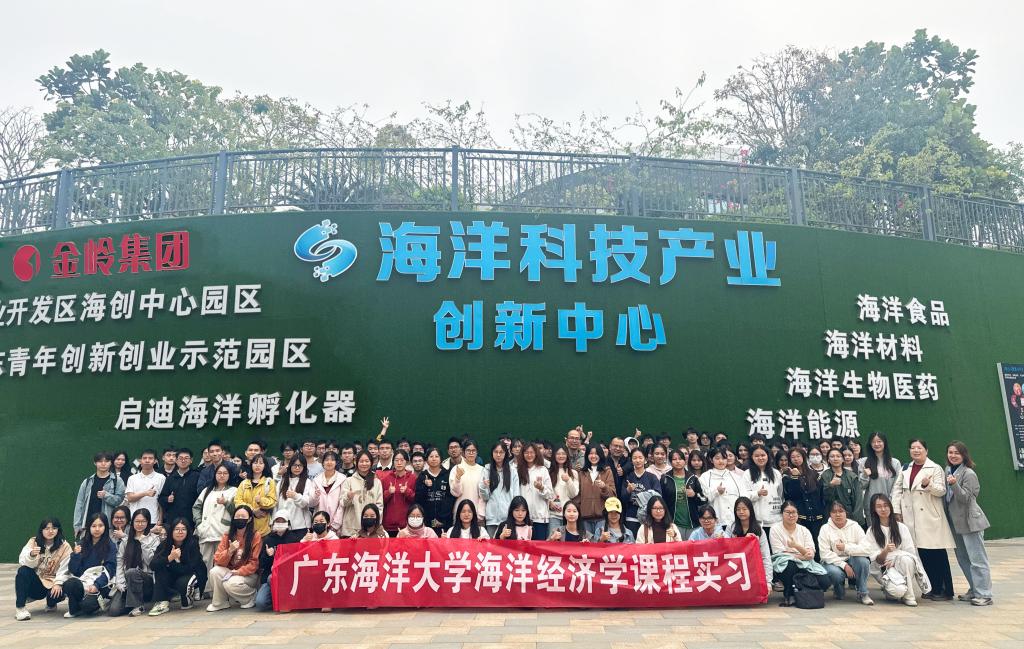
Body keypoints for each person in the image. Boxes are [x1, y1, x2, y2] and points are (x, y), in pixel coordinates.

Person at [891, 438, 956, 601]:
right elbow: (897, 490)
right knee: (922, 554)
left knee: (937, 554)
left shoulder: (935, 468)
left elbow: (941, 491)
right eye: (912, 448)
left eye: (919, 448)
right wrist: (896, 511)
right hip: (911, 518)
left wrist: (929, 485)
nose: (916, 451)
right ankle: (931, 588)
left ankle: (945, 590)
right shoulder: (905, 468)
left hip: (929, 518)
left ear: (926, 451)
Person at [944, 441, 993, 606]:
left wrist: (954, 484)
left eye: (957, 453)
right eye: (950, 452)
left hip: (970, 521)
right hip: (955, 522)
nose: (953, 455)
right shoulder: (948, 470)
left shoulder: (969, 473)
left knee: (977, 559)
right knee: (963, 558)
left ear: (964, 455)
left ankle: (984, 594)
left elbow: (966, 498)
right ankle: (974, 589)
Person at [862, 494, 929, 607]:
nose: (883, 509)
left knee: (906, 560)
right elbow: (876, 560)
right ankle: (892, 589)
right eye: (879, 506)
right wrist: (886, 551)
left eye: (885, 505)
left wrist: (895, 560)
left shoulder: (901, 527)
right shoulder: (871, 531)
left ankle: (909, 596)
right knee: (897, 592)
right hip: (885, 569)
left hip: (903, 566)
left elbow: (910, 554)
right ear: (874, 509)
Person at [770, 501, 830, 607]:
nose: (791, 515)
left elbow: (810, 553)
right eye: (788, 512)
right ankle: (789, 594)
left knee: (825, 580)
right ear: (782, 514)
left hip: (806, 563)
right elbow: (780, 553)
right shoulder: (775, 529)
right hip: (785, 562)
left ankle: (807, 592)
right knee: (790, 566)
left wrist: (796, 546)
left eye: (794, 512)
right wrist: (802, 556)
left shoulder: (804, 530)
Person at [206, 506, 262, 612]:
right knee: (214, 572)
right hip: (231, 571)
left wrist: (239, 572)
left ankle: (250, 597)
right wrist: (229, 551)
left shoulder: (255, 536)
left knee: (230, 583)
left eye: (243, 516)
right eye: (237, 516)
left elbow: (254, 563)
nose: (240, 518)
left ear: (249, 519)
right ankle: (220, 602)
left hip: (248, 574)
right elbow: (217, 559)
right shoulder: (227, 535)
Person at [15, 517, 71, 621]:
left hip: (53, 582)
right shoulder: (33, 542)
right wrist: (31, 555)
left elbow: (66, 568)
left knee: (56, 593)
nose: (50, 531)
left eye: (54, 528)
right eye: (47, 528)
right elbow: (22, 561)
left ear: (58, 530)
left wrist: (58, 583)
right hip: (38, 582)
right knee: (22, 570)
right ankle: (20, 608)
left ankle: (51, 603)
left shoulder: (64, 546)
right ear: (41, 530)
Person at [818, 502, 873, 605]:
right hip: (833, 563)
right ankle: (838, 587)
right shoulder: (825, 528)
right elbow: (825, 554)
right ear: (830, 514)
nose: (838, 514)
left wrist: (846, 547)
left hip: (852, 559)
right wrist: (844, 565)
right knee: (835, 573)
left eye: (841, 511)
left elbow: (867, 549)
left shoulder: (855, 526)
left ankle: (863, 593)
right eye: (834, 512)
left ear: (846, 513)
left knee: (863, 562)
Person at [63, 513, 117, 618]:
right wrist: (76, 555)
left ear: (105, 527)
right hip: (84, 581)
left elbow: (110, 569)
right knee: (69, 584)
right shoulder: (82, 544)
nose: (97, 529)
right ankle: (74, 610)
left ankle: (94, 603)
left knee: (87, 606)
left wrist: (96, 585)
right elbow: (74, 570)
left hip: (101, 585)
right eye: (94, 526)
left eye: (100, 526)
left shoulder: (110, 546)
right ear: (89, 527)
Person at [108, 509, 161, 616]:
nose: (140, 524)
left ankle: (138, 605)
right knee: (114, 611)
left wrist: (144, 542)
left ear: (148, 522)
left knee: (132, 572)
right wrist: (120, 582)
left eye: (143, 521)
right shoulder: (126, 540)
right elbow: (120, 562)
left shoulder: (154, 539)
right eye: (137, 521)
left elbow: (151, 562)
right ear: (132, 522)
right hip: (128, 581)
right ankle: (131, 603)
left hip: (147, 580)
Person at [193, 464, 237, 577]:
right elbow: (196, 507)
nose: (222, 476)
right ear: (215, 475)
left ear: (229, 475)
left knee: (221, 563)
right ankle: (204, 587)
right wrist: (199, 523)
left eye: (225, 473)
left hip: (223, 533)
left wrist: (226, 503)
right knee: (204, 563)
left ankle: (218, 587)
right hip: (206, 532)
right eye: (219, 473)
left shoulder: (234, 491)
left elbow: (237, 512)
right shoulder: (207, 491)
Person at [782, 447, 826, 558]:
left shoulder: (814, 474)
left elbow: (820, 495)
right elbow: (792, 495)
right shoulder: (787, 474)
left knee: (818, 545)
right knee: (803, 545)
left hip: (817, 516)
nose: (796, 459)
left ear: (803, 457)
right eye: (793, 457)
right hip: (800, 517)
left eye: (798, 456)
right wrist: (795, 478)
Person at [73, 452, 126, 536]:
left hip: (108, 526)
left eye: (106, 461)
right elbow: (79, 504)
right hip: (88, 526)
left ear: (111, 463)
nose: (103, 464)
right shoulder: (87, 482)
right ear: (95, 463)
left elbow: (120, 501)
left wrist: (106, 495)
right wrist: (77, 525)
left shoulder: (117, 481)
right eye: (100, 461)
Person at [699, 447, 750, 531]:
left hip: (735, 521)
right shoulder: (705, 477)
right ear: (711, 460)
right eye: (717, 458)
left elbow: (744, 497)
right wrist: (716, 491)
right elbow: (703, 499)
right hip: (715, 522)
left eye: (723, 458)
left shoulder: (735, 477)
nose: (721, 461)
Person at [731, 497, 772, 598]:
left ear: (751, 510)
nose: (741, 512)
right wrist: (740, 541)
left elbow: (766, 556)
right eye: (738, 509)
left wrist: (768, 582)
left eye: (744, 509)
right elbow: (727, 550)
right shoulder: (731, 527)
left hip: (753, 567)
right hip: (735, 567)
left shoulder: (759, 530)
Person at [858, 432, 903, 523]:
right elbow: (861, 486)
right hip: (871, 506)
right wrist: (865, 475)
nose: (876, 444)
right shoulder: (863, 462)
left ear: (884, 443)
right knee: (874, 530)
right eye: (873, 442)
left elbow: (897, 486)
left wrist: (893, 504)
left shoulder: (895, 463)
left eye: (879, 441)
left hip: (890, 505)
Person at [480, 442, 520, 537]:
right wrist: (484, 487)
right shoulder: (487, 469)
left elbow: (516, 496)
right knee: (492, 545)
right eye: (496, 452)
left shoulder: (512, 471)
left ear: (506, 453)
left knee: (506, 545)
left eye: (501, 452)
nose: (498, 455)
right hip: (492, 518)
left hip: (508, 518)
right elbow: (485, 497)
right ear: (492, 453)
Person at [340, 451, 384, 538]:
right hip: (351, 529)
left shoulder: (377, 482)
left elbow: (379, 506)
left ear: (371, 463)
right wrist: (348, 497)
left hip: (370, 529)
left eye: (367, 461)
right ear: (356, 462)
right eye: (361, 461)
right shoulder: (349, 481)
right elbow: (342, 503)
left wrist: (375, 524)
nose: (364, 464)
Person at [620, 448, 662, 537]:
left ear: (645, 460)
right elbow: (622, 499)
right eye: (635, 458)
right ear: (631, 460)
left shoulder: (652, 477)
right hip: (631, 517)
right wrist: (628, 491)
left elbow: (658, 496)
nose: (638, 460)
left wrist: (639, 497)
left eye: (640, 457)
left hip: (648, 517)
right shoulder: (628, 477)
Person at [234, 454, 278, 538]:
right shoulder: (244, 483)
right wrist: (252, 510)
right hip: (245, 527)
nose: (257, 465)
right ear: (251, 465)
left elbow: (273, 501)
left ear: (265, 466)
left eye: (261, 463)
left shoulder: (269, 482)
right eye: (255, 463)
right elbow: (237, 501)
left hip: (262, 529)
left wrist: (261, 500)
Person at [517, 443, 555, 539]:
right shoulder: (517, 470)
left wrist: (541, 488)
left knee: (539, 546)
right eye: (526, 452)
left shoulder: (542, 470)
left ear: (536, 454)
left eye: (532, 452)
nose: (529, 455)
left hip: (540, 517)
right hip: (522, 517)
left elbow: (550, 494)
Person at [275, 454, 316, 542]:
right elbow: (276, 504)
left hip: (301, 526)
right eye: (294, 465)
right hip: (284, 526)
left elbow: (305, 503)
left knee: (300, 550)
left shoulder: (307, 482)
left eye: (300, 465)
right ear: (290, 466)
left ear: (304, 467)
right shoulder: (282, 482)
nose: (297, 468)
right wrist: (274, 523)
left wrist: (295, 496)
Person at [578, 445, 615, 538]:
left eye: (596, 453)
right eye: (591, 453)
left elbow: (613, 495)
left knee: (600, 543)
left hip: (602, 517)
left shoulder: (607, 471)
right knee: (587, 544)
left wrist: (604, 487)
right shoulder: (582, 473)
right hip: (585, 517)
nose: (593, 456)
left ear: (601, 455)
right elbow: (578, 495)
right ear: (587, 455)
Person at [748, 447, 783, 547]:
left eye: (763, 455)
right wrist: (757, 493)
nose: (760, 458)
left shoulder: (776, 473)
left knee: (775, 547)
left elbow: (780, 495)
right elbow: (743, 495)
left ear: (768, 456)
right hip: (757, 520)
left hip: (775, 519)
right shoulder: (747, 474)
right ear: (752, 457)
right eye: (757, 456)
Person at [254, 514, 289, 611]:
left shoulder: (293, 538)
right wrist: (268, 555)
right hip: (270, 577)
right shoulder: (268, 539)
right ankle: (276, 600)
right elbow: (261, 564)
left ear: (288, 523)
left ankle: (284, 600)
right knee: (260, 603)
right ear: (273, 524)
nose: (280, 524)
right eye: (277, 521)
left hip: (288, 577)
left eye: (283, 521)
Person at [416, 447, 453, 537]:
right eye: (431, 456)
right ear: (426, 460)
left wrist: (441, 517)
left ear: (441, 459)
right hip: (427, 521)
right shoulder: (422, 476)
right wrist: (425, 485)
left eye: (436, 456)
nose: (434, 459)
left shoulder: (447, 475)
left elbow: (450, 498)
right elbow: (418, 499)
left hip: (445, 520)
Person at [822, 448, 865, 527]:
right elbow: (823, 498)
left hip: (850, 516)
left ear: (842, 459)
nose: (835, 459)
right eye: (832, 456)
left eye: (838, 456)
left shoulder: (852, 476)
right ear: (828, 460)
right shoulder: (824, 476)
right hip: (831, 516)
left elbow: (858, 499)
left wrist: (856, 520)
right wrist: (831, 485)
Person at [159, 448, 199, 528]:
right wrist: (167, 499)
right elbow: (161, 498)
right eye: (180, 458)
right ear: (176, 461)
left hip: (191, 519)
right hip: (173, 519)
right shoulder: (170, 478)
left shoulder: (197, 476)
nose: (183, 461)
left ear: (191, 460)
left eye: (186, 458)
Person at [380, 450, 417, 536]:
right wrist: (388, 493)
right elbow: (380, 501)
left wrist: (407, 492)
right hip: (388, 525)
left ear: (406, 462)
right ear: (393, 462)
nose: (399, 463)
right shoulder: (386, 479)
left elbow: (417, 501)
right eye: (396, 460)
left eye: (402, 460)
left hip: (407, 525)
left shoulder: (413, 478)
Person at [126, 449, 166, 525]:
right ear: (140, 461)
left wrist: (160, 520)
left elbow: (162, 501)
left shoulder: (161, 478)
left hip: (153, 519)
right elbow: (130, 498)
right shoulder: (132, 478)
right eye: (144, 458)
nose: (147, 460)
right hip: (135, 519)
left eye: (150, 458)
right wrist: (145, 493)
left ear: (155, 461)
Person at [449, 440, 486, 525]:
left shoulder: (482, 470)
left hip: (477, 515)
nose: (471, 453)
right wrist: (458, 478)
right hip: (460, 513)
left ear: (477, 452)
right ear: (463, 452)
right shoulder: (457, 468)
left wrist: (480, 514)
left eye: (473, 450)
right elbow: (456, 493)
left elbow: (483, 495)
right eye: (468, 450)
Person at [309, 451, 343, 534]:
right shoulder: (316, 480)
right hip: (319, 523)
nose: (329, 462)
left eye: (332, 460)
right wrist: (315, 496)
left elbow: (342, 504)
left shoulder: (342, 479)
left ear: (336, 462)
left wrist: (335, 524)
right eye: (327, 460)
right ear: (323, 462)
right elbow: (311, 504)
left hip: (337, 523)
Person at [548, 447, 580, 531]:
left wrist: (568, 480)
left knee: (568, 538)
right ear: (554, 455)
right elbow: (546, 492)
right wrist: (549, 503)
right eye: (558, 454)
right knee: (554, 538)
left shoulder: (573, 473)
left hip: (569, 515)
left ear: (567, 455)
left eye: (563, 454)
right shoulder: (549, 472)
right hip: (553, 515)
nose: (561, 456)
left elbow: (573, 494)